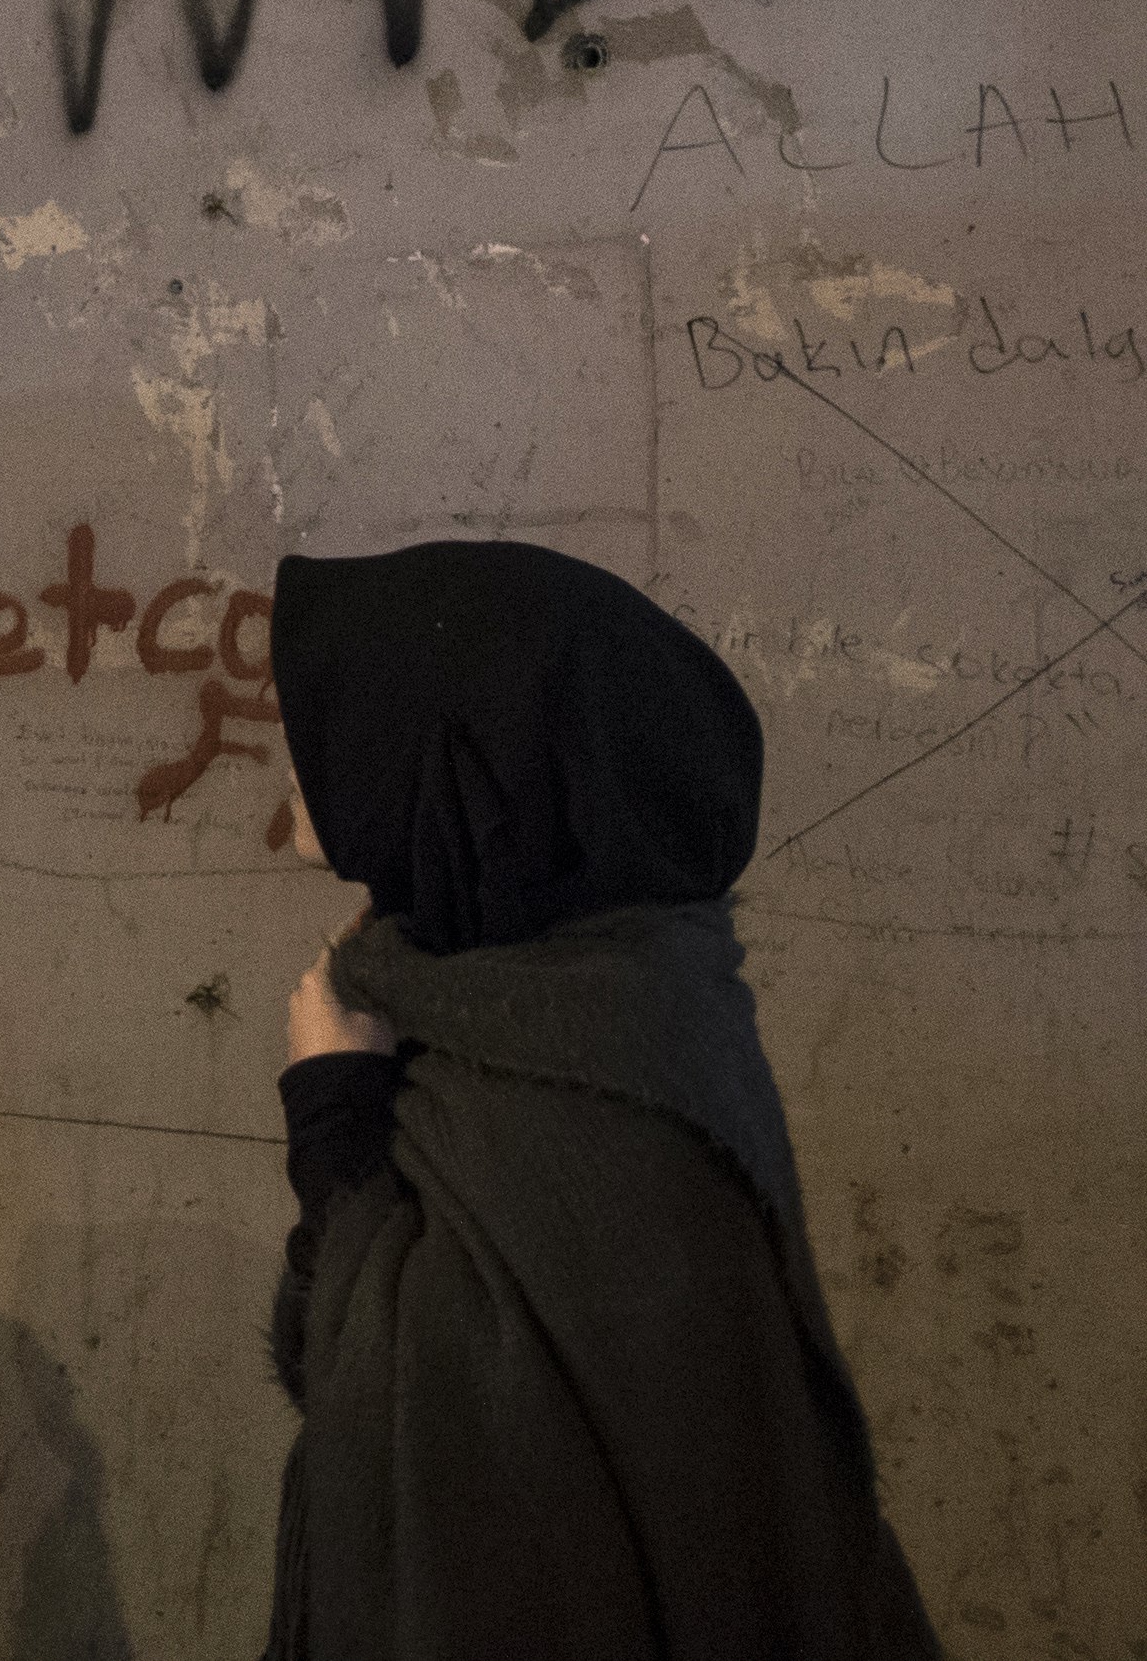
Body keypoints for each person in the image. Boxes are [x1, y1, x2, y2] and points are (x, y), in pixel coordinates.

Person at [263, 539, 942, 1659]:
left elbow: (436, 1443)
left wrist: (334, 1115)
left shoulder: (590, 1073)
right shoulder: (546, 996)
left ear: (461, 763)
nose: (293, 748)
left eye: (343, 711)